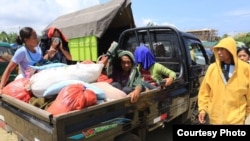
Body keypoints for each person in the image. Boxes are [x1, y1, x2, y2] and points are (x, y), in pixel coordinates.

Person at [198, 37, 250, 125]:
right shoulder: (212, 68)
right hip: (215, 119)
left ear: (230, 50)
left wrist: (247, 113)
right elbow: (204, 91)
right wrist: (203, 109)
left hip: (236, 120)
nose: (219, 52)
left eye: (222, 49)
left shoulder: (245, 68)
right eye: (218, 49)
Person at [0, 27, 43, 93]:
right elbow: (9, 69)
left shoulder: (38, 49)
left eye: (36, 36)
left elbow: (42, 63)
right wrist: (1, 87)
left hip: (42, 79)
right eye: (34, 37)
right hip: (30, 85)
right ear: (26, 40)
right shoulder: (22, 52)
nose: (37, 39)